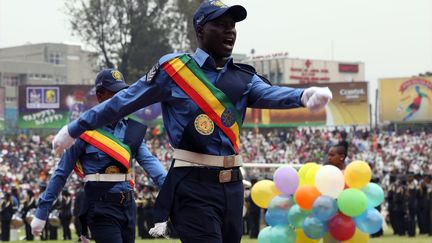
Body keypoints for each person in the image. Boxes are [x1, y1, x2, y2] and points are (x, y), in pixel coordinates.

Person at [51, 1, 332, 242]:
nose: (230, 30)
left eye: (233, 25)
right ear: (200, 30)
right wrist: (75, 128)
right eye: (220, 24)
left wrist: (302, 95)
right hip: (193, 185)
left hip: (233, 185)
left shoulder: (244, 77)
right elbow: (120, 102)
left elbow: (269, 93)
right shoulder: (174, 70)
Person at [31, 69, 167, 243]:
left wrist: (173, 191)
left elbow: (151, 164)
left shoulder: (132, 129)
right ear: (100, 96)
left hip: (128, 206)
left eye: (123, 93)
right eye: (114, 94)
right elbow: (61, 173)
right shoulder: (82, 131)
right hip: (100, 207)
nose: (121, 99)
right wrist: (42, 210)